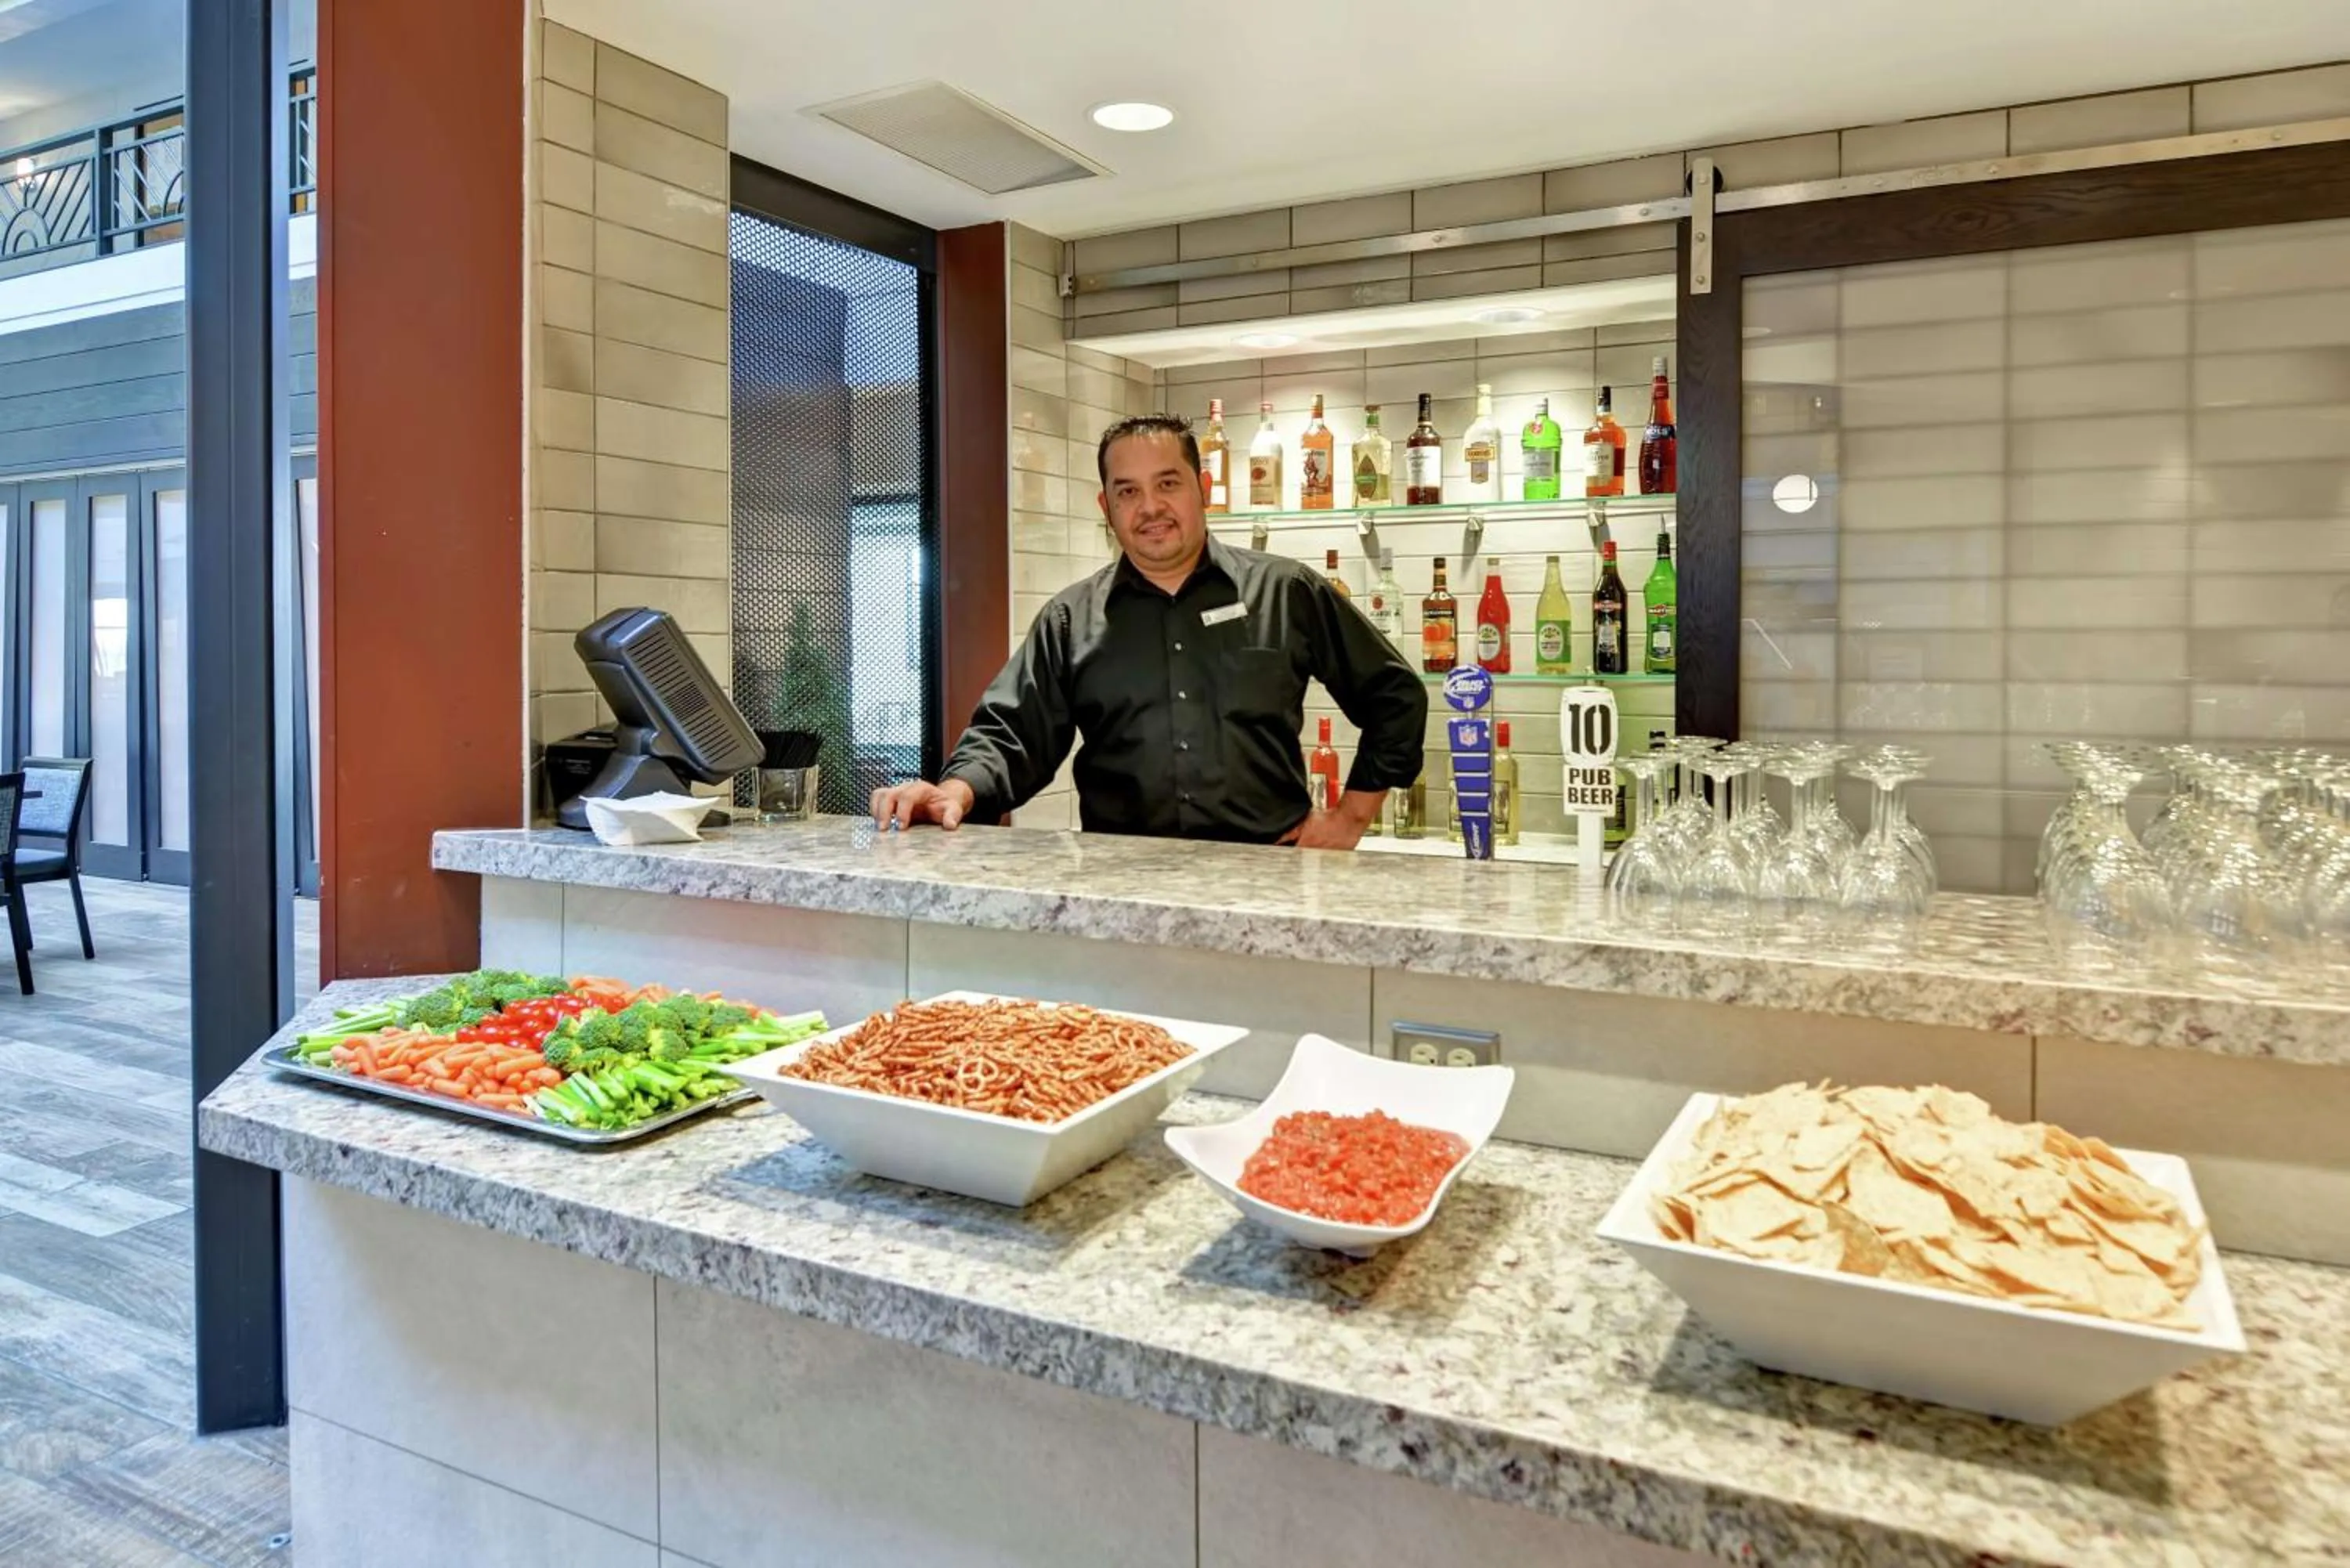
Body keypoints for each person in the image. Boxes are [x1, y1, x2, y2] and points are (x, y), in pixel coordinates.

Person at [872, 414, 1426, 849]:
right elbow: (1011, 734)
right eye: (1128, 491)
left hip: (1267, 875)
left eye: (1167, 484)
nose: (1151, 508)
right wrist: (952, 793)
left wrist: (1352, 816)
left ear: (1203, 487)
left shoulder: (1286, 591)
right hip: (1120, 885)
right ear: (1106, 506)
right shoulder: (1071, 619)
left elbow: (1394, 695)